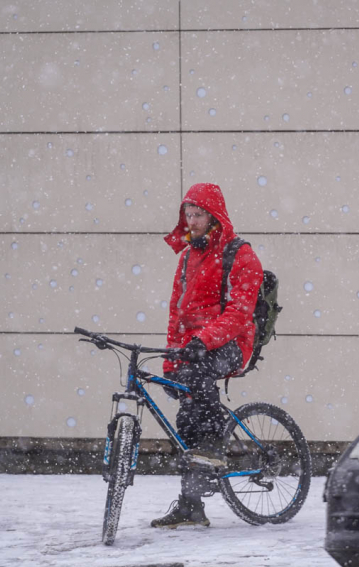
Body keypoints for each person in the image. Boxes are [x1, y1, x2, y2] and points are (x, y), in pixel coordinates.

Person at [151, 182, 263, 529]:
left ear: (214, 216)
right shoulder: (187, 258)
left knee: (197, 379)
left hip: (232, 343)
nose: (192, 220)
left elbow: (239, 313)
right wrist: (171, 363)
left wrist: (204, 339)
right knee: (186, 419)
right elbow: (177, 315)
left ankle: (215, 444)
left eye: (198, 214)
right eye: (188, 213)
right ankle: (191, 505)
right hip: (195, 348)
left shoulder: (240, 254)